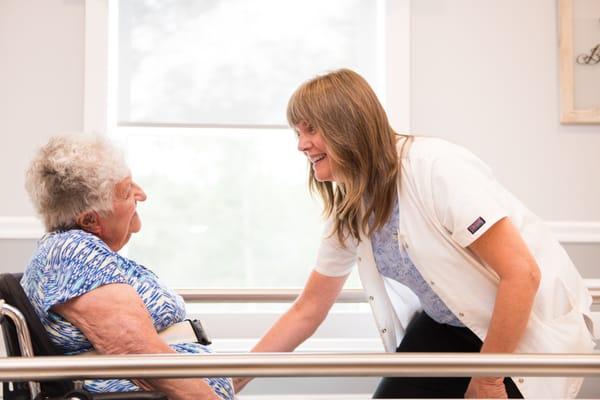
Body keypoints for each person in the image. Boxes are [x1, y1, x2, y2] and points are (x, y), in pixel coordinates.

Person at [235, 69, 597, 399]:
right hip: (447, 326)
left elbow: (522, 273)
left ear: (347, 126)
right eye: (297, 133)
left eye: (310, 129)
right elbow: (308, 309)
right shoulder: (351, 208)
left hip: (519, 327)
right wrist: (230, 381)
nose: (301, 145)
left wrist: (488, 379)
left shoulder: (435, 168)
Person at [22, 135, 234, 400]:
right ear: (90, 220)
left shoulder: (72, 252)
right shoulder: (72, 252)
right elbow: (136, 350)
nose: (142, 194)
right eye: (126, 191)